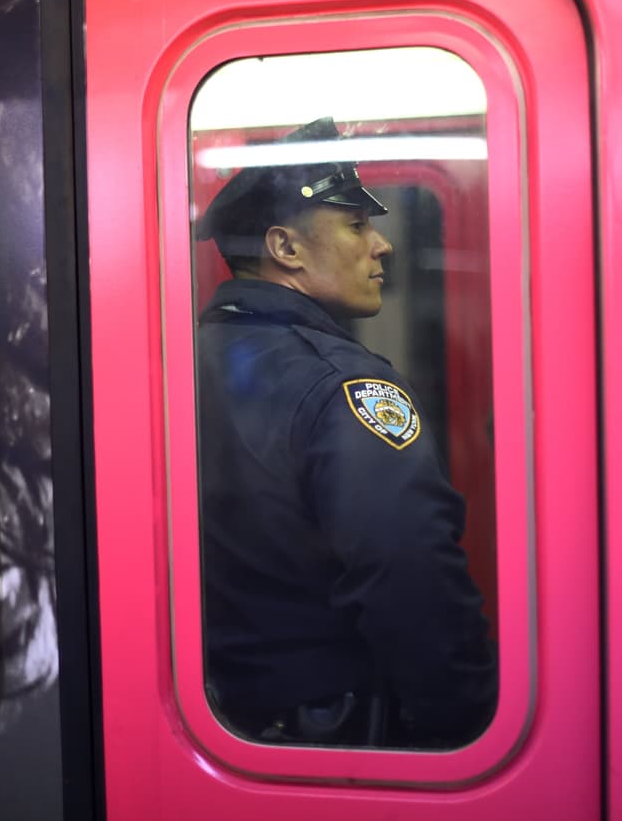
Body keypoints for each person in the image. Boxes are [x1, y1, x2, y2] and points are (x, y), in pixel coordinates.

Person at [194, 117, 498, 748]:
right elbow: (411, 577)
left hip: (227, 723)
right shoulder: (343, 385)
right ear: (286, 249)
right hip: (336, 738)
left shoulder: (181, 364)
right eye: (357, 226)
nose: (381, 245)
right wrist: (467, 730)